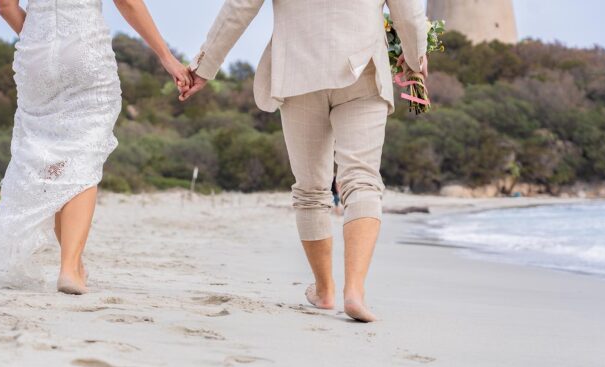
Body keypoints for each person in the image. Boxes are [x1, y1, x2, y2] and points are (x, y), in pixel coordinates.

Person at [181, 0, 428, 322]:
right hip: (362, 72)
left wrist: (204, 67)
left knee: (311, 188)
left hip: (298, 72)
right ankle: (354, 292)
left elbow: (239, 8)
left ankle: (324, 290)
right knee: (362, 180)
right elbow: (408, 16)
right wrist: (414, 62)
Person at [0, 0, 191, 294]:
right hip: (85, 48)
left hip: (35, 54)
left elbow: (6, 6)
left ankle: (75, 263)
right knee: (83, 156)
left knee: (51, 160)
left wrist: (37, 36)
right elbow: (128, 2)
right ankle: (69, 267)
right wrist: (166, 57)